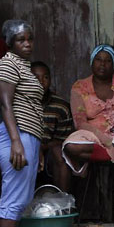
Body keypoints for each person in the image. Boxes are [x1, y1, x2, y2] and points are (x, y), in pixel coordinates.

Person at [0, 20, 44, 227]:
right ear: (10, 43)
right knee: (13, 197)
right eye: (21, 39)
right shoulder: (8, 64)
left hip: (27, 136)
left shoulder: (22, 66)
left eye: (30, 39)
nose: (27, 43)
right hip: (16, 136)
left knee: (20, 197)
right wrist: (16, 141)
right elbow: (5, 106)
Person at [62, 45, 114, 175]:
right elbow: (80, 122)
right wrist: (106, 141)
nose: (102, 64)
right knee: (71, 146)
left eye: (108, 60)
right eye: (98, 59)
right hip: (93, 137)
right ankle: (111, 155)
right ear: (92, 62)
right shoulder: (80, 87)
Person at [31, 61, 74, 192]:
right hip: (24, 148)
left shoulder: (60, 106)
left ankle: (61, 202)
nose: (41, 82)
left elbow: (63, 139)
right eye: (36, 78)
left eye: (45, 77)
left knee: (59, 152)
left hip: (48, 151)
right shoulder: (20, 103)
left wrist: (42, 147)